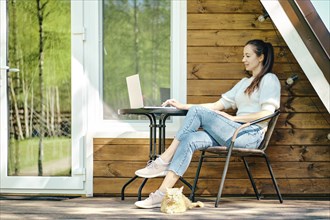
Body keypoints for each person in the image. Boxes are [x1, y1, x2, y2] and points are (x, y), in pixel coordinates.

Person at [134, 39, 281, 209]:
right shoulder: (244, 83)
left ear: (261, 57)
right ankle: (161, 194)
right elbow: (216, 106)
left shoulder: (270, 79)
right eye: (243, 56)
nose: (243, 59)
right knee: (189, 139)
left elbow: (267, 114)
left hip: (249, 135)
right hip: (231, 133)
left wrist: (233, 119)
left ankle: (164, 160)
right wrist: (183, 105)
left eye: (248, 55)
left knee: (197, 112)